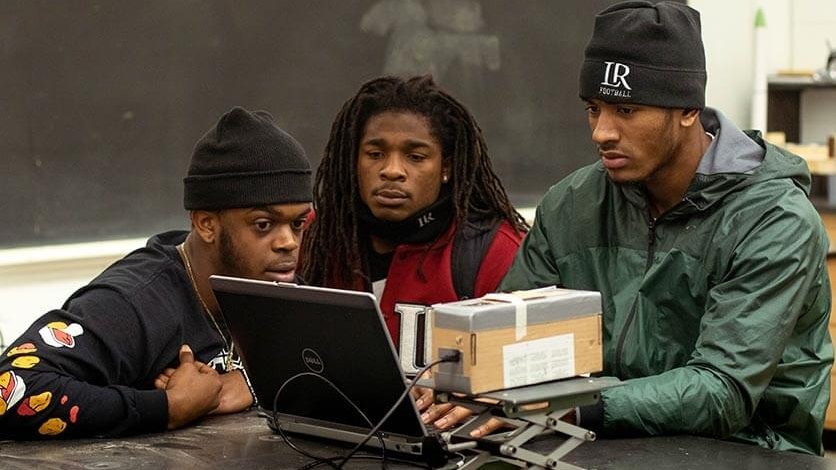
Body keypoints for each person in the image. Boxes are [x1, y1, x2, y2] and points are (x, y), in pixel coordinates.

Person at [494, 1, 833, 455]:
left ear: (688, 109)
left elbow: (722, 391)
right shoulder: (571, 203)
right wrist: (463, 382)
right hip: (595, 438)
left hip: (746, 448)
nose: (601, 133)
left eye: (627, 111)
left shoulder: (775, 221)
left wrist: (570, 406)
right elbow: (511, 336)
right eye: (594, 108)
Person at [0, 107, 313, 438]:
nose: (288, 242)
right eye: (263, 225)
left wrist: (250, 381)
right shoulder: (133, 304)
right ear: (206, 224)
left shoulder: (277, 289)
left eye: (297, 224)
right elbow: (10, 388)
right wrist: (167, 407)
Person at [299, 75, 527, 426]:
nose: (391, 171)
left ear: (446, 167)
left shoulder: (493, 249)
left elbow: (532, 375)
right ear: (353, 160)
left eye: (415, 156)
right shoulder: (316, 237)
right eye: (375, 154)